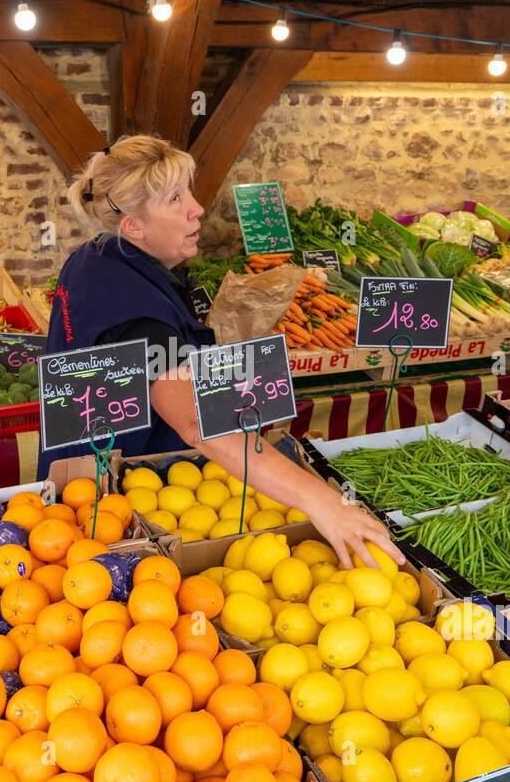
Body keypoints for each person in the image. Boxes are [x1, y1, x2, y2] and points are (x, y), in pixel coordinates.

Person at [39, 135, 404, 570]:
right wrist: (322, 501)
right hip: (113, 506)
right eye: (175, 199)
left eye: (189, 192)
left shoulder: (96, 258)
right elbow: (197, 424)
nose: (196, 209)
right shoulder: (136, 311)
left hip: (97, 477)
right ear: (133, 226)